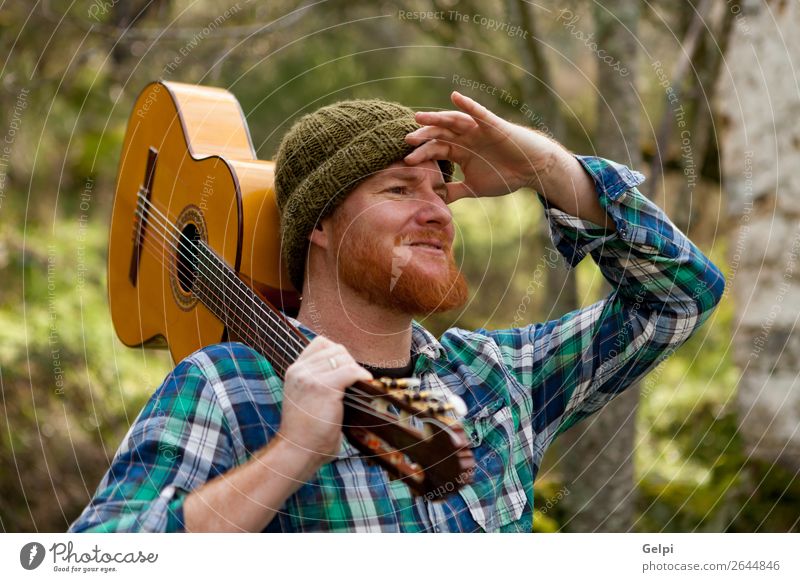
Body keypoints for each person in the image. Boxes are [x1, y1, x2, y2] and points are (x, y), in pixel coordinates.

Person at [69, 91, 724, 533]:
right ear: (321, 225)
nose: (438, 209)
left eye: (441, 191)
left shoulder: (501, 377)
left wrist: (547, 168)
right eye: (399, 188)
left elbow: (680, 295)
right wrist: (290, 451)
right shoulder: (225, 388)